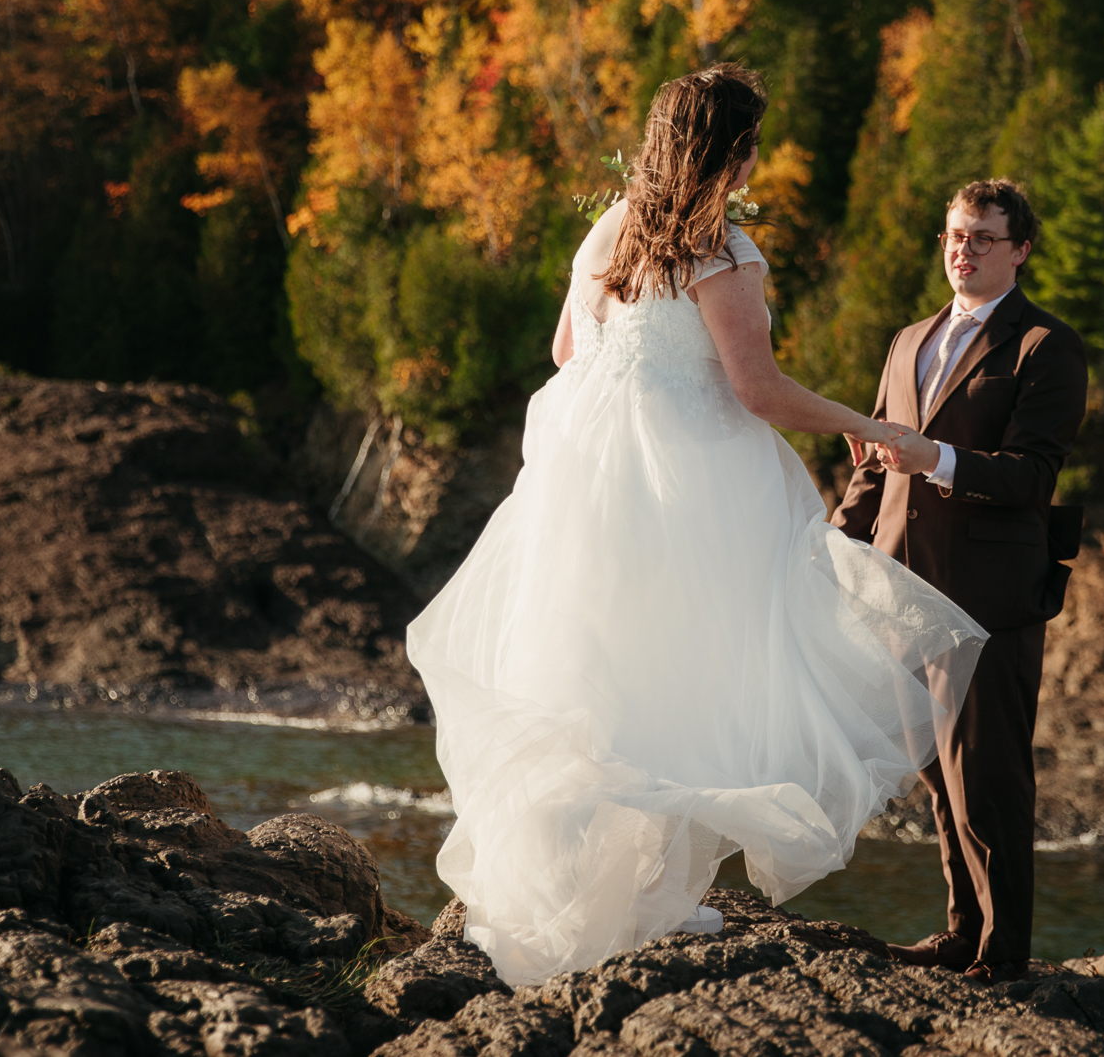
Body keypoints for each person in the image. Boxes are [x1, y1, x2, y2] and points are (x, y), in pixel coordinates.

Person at [406, 65, 988, 986]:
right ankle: (651, 896)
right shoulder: (722, 251)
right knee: (700, 670)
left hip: (586, 482)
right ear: (729, 151)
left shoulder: (607, 232)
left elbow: (565, 353)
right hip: (691, 484)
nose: (757, 158)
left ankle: (598, 897)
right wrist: (871, 426)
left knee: (598, 678)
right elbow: (757, 390)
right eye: (752, 141)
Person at [831, 178, 1089, 984]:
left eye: (981, 236)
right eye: (953, 233)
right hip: (902, 593)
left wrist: (935, 458)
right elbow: (874, 464)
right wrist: (839, 540)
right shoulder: (909, 339)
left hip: (989, 598)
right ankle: (960, 933)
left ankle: (1003, 956)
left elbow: (1032, 476)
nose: (962, 249)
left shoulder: (1046, 346)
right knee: (940, 778)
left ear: (1020, 249)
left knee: (990, 782)